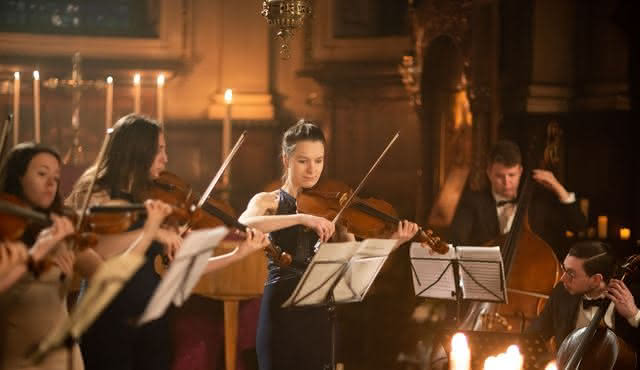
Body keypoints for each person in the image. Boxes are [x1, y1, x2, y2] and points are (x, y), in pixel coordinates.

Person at [66, 114, 268, 370]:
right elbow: (97, 253)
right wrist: (153, 232)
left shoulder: (151, 198)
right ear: (138, 150)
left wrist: (240, 252)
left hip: (152, 318)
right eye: (159, 149)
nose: (166, 158)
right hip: (107, 318)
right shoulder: (98, 194)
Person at [239, 120, 419, 370]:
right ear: (286, 159)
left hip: (319, 316)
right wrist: (302, 217)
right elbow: (244, 223)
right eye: (303, 161)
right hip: (281, 313)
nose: (312, 169)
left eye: (319, 160)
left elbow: (355, 267)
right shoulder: (268, 201)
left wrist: (393, 243)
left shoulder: (335, 209)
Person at [0, 142, 159, 370]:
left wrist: (149, 231)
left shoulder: (62, 232)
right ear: (18, 177)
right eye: (42, 174)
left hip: (65, 359)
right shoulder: (6, 232)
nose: (50, 184)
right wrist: (40, 250)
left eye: (55, 178)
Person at [448, 139, 587, 260]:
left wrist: (558, 188)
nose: (506, 182)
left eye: (512, 175)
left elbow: (578, 225)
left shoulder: (537, 203)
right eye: (499, 176)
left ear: (520, 171)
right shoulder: (473, 202)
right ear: (489, 172)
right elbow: (456, 240)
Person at [525, 240, 640, 363]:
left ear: (596, 279)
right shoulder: (562, 293)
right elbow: (534, 335)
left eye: (571, 273)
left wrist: (634, 315)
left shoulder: (634, 296)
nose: (563, 278)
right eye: (564, 269)